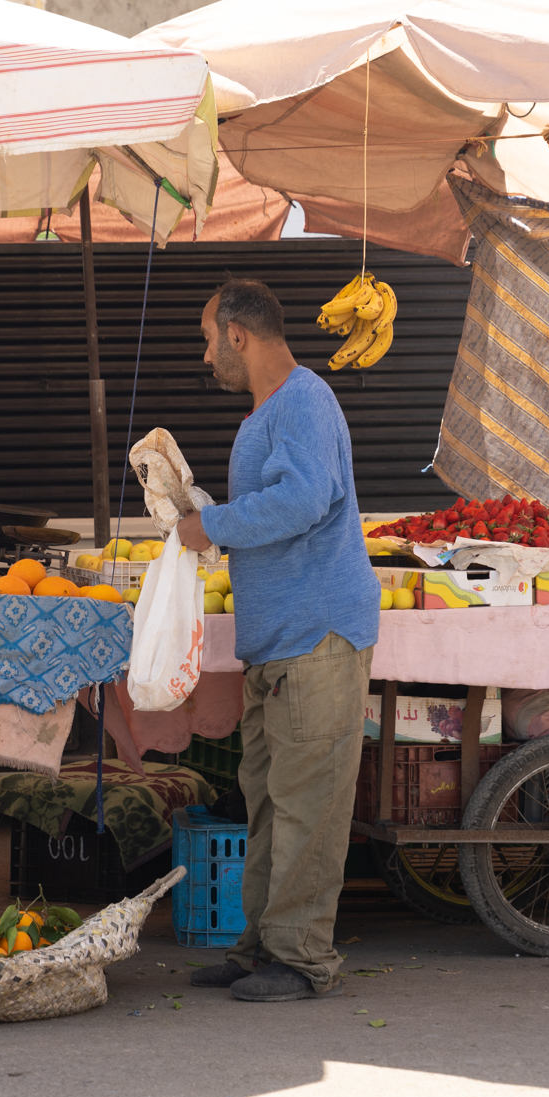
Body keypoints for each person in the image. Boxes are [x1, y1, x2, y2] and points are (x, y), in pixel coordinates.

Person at [174, 277, 381, 1003]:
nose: (206, 357)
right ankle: (260, 945)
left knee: (307, 804)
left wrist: (216, 524)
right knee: (267, 800)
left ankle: (300, 960)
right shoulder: (271, 410)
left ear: (238, 333)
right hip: (278, 645)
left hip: (316, 637)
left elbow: (303, 499)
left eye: (207, 339)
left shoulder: (301, 400)